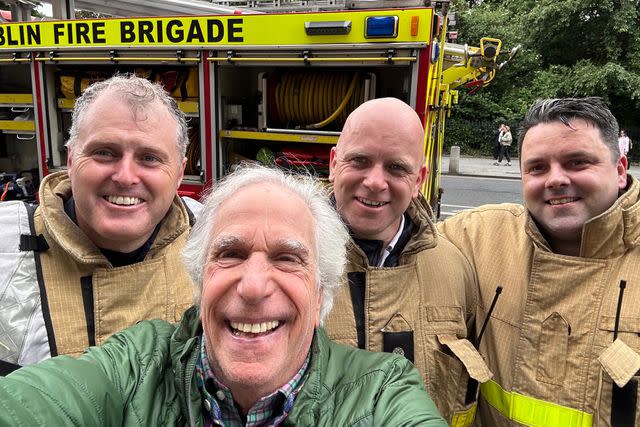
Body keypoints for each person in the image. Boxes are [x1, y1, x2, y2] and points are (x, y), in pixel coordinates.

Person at [0, 164, 447, 426]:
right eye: (230, 254)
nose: (253, 286)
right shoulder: (134, 368)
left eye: (288, 258)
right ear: (199, 282)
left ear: (320, 296)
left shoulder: (381, 393)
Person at [439, 97, 640, 426]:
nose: (555, 179)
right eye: (537, 167)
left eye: (577, 163)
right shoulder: (477, 237)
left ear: (619, 170)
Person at [0, 74, 198, 375]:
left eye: (149, 158)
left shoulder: (211, 236)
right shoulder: (6, 249)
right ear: (70, 159)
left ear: (180, 173)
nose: (126, 176)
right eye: (104, 152)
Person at [324, 97, 488, 425]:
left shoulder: (456, 269)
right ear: (333, 163)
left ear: (419, 179)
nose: (374, 182)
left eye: (396, 168)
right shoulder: (288, 262)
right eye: (359, 160)